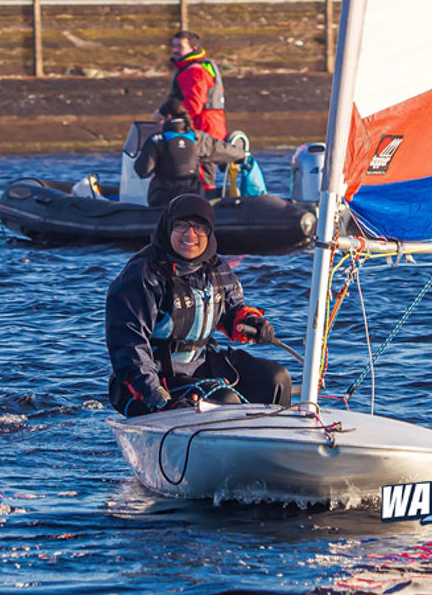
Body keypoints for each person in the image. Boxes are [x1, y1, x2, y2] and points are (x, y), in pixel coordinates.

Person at [105, 194, 292, 417]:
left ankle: (275, 441)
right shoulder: (141, 277)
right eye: (181, 225)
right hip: (147, 383)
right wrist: (154, 392)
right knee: (224, 400)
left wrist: (252, 321)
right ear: (168, 227)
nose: (190, 234)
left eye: (199, 227)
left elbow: (233, 309)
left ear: (210, 231)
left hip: (201, 366)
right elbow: (128, 346)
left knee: (276, 378)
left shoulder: (216, 269)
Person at [133, 100, 247, 207]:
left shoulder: (157, 140)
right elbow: (225, 151)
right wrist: (242, 154)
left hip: (162, 199)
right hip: (193, 196)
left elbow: (142, 171)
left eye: (159, 121)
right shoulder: (198, 138)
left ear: (168, 117)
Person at [154, 30, 226, 140]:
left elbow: (193, 105)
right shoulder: (201, 66)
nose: (174, 50)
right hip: (213, 125)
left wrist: (169, 117)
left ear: (194, 49)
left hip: (202, 128)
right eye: (173, 46)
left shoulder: (194, 71)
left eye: (180, 46)